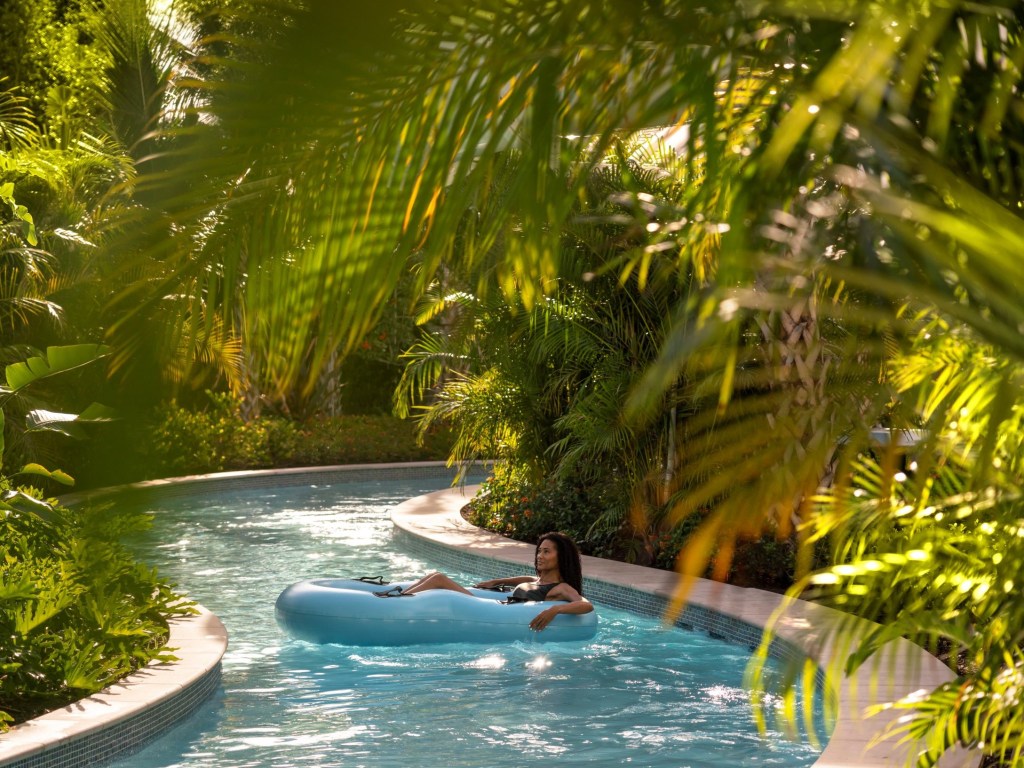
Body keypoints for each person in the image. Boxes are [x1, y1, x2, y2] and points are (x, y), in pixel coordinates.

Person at [385, 531, 594, 632]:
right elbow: (524, 580)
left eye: (546, 552)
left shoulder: (561, 587)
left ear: (561, 557)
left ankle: (395, 602)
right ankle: (398, 596)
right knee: (434, 575)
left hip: (491, 612)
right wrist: (495, 581)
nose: (539, 556)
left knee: (439, 578)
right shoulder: (538, 580)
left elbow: (585, 605)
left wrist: (555, 610)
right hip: (494, 606)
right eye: (539, 551)